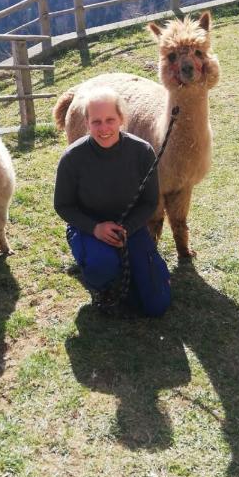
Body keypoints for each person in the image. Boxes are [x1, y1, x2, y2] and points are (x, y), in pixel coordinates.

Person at [54, 87, 171, 317]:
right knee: (102, 265)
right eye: (96, 121)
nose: (104, 128)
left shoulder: (141, 152)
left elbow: (149, 202)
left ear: (121, 119)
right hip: (89, 228)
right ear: (87, 122)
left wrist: (128, 228)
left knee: (157, 304)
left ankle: (135, 280)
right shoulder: (72, 158)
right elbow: (63, 205)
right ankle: (101, 284)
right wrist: (95, 228)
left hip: (131, 229)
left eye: (110, 120)